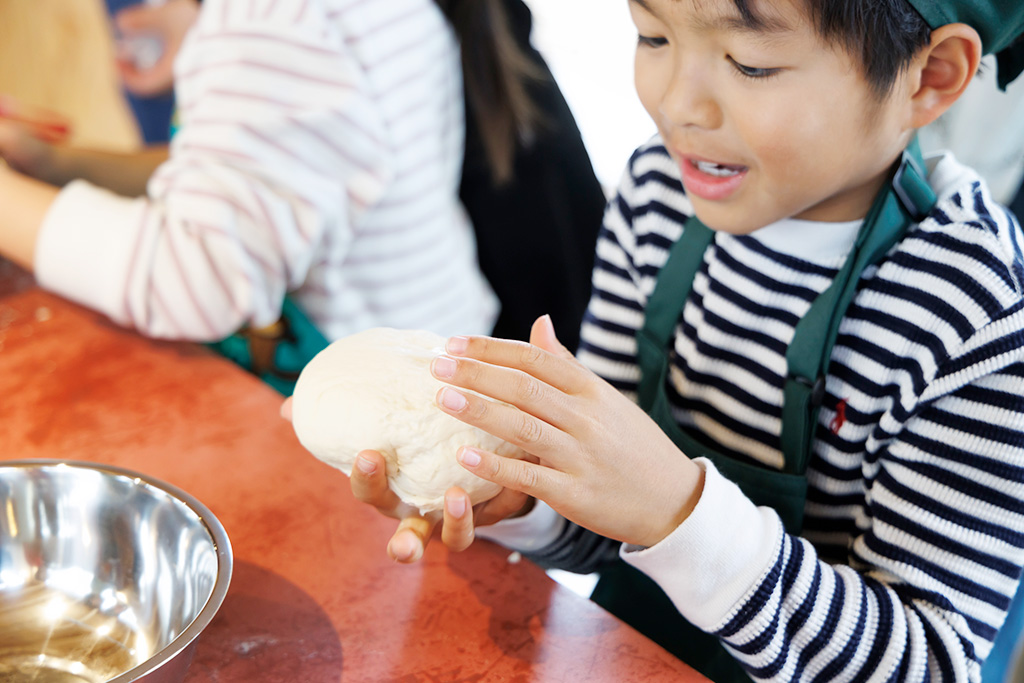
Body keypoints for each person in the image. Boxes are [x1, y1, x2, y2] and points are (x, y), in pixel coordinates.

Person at [337, 0, 1024, 681]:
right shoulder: (658, 196)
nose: (677, 105)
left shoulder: (974, 312)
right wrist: (527, 499)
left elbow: (930, 664)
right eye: (653, 36)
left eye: (751, 64)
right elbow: (607, 533)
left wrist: (676, 511)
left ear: (930, 75)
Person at [0, 0, 544, 386]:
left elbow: (198, 281)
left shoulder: (272, 22)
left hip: (374, 412)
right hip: (447, 360)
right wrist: (52, 164)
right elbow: (237, 188)